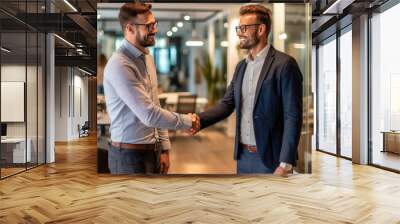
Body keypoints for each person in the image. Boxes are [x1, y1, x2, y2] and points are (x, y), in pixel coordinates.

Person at [191, 4, 303, 176]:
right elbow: (227, 104)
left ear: (261, 30)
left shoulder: (285, 65)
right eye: (239, 28)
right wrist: (199, 120)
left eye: (244, 28)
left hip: (271, 160)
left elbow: (292, 116)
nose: (239, 33)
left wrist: (285, 164)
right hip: (243, 156)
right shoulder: (241, 67)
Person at [103, 2, 199, 174]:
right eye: (148, 26)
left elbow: (155, 105)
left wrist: (164, 148)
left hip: (151, 151)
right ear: (130, 28)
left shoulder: (147, 58)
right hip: (128, 157)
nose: (155, 30)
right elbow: (149, 114)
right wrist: (187, 121)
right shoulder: (120, 64)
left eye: (154, 24)